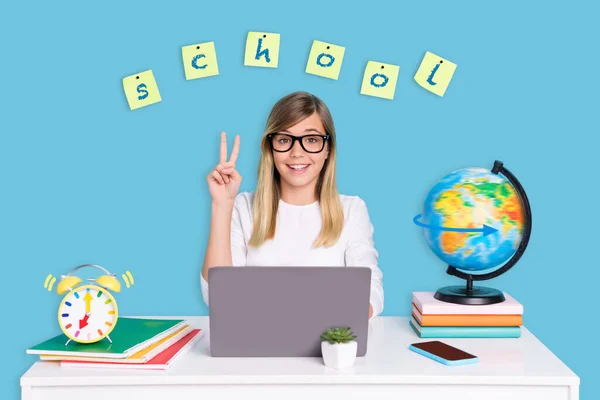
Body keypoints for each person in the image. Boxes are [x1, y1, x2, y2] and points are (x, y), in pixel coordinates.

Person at [201, 91, 384, 319]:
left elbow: (371, 294)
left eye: (311, 140)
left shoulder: (352, 210)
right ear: (271, 148)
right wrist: (222, 204)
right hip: (255, 348)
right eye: (285, 140)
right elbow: (217, 299)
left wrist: (326, 318)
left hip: (326, 346)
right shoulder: (243, 207)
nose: (297, 153)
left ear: (328, 149)